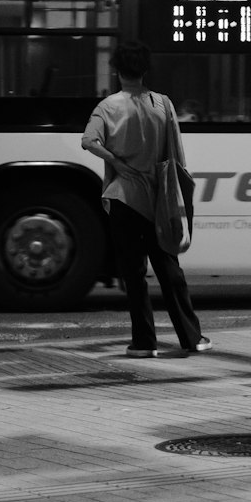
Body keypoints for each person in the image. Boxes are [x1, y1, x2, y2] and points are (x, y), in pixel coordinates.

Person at [82, 40, 211, 358]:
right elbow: (176, 156)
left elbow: (88, 141)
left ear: (116, 70)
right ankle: (191, 337)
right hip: (157, 200)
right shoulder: (163, 104)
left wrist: (115, 160)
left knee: (134, 274)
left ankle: (144, 342)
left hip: (123, 199)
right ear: (145, 70)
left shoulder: (108, 107)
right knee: (169, 267)